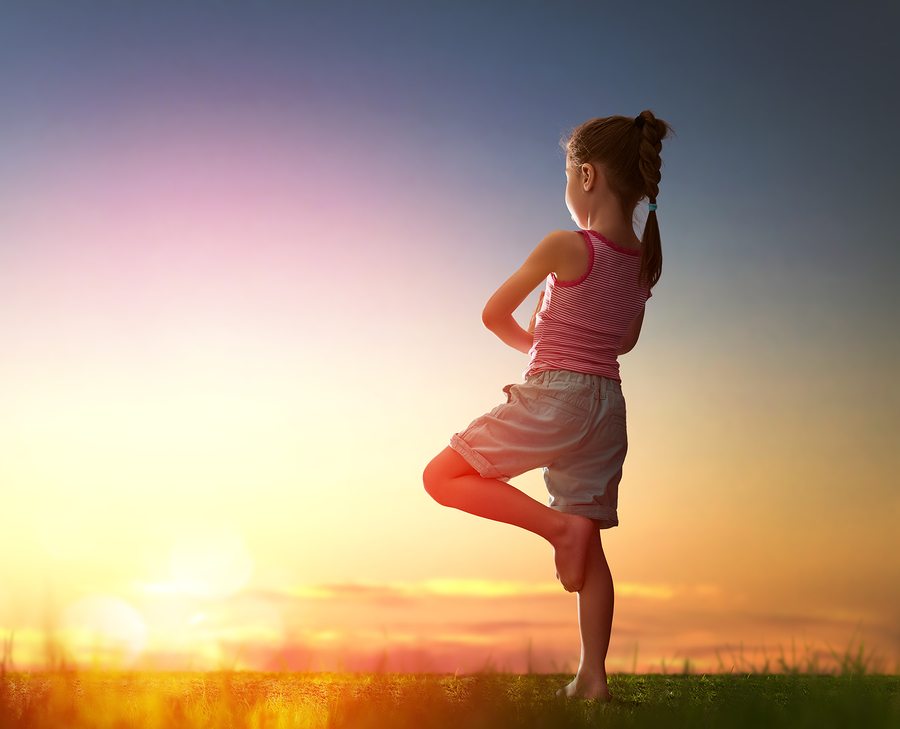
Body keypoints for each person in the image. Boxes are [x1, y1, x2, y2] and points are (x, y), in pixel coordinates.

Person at [422, 111, 674, 702]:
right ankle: (593, 679)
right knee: (593, 542)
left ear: (586, 176)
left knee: (441, 476)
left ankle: (554, 529)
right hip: (608, 408)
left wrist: (534, 337)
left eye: (566, 175)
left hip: (557, 395)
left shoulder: (565, 246)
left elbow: (493, 316)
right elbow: (624, 340)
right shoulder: (643, 259)